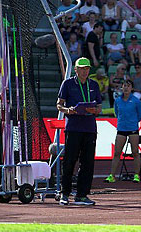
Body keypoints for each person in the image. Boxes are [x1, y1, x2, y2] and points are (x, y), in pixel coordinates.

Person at [56, 57, 102, 205]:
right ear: (76, 70)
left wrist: (94, 110)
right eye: (81, 68)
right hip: (73, 127)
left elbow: (99, 107)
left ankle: (82, 195)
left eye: (87, 68)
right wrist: (68, 110)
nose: (84, 71)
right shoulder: (68, 83)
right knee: (70, 160)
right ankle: (64, 193)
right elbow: (59, 105)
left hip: (89, 128)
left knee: (88, 162)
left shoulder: (94, 84)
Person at [105, 79, 141, 183]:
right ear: (121, 87)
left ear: (131, 88)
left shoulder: (136, 101)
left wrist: (133, 122)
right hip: (121, 128)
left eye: (128, 86)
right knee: (117, 153)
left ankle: (137, 175)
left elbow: (140, 115)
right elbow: (117, 113)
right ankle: (112, 176)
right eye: (124, 86)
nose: (126, 88)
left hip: (133, 129)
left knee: (135, 152)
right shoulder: (117, 101)